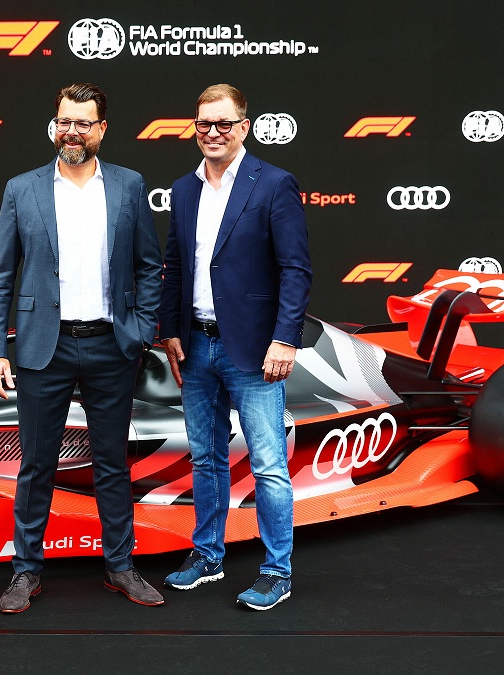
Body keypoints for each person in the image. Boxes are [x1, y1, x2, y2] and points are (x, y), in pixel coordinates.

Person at [0, 83, 165, 613]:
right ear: (54, 124)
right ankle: (25, 571)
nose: (73, 131)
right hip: (45, 348)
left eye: (84, 123)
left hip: (112, 346)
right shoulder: (23, 189)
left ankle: (121, 567)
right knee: (37, 464)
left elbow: (149, 266)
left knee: (111, 463)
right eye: (65, 121)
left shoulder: (129, 186)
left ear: (102, 129)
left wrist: (142, 329)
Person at [157, 84, 312, 610]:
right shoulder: (183, 189)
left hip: (254, 351)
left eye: (224, 124)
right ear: (194, 127)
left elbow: (295, 269)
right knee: (206, 459)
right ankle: (208, 556)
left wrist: (285, 338)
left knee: (268, 463)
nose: (214, 133)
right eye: (204, 124)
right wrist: (170, 331)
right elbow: (175, 266)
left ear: (244, 127)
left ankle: (277, 571)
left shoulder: (273, 184)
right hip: (196, 346)